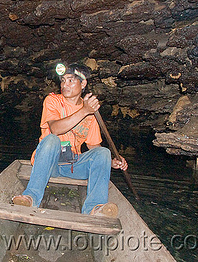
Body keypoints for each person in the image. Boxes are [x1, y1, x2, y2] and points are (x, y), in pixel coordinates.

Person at [12, 62, 128, 217]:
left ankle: (95, 208)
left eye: (71, 80)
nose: (65, 85)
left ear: (83, 83)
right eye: (63, 80)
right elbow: (55, 128)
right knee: (52, 140)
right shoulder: (53, 101)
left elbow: (94, 147)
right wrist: (85, 111)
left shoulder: (91, 114)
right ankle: (30, 197)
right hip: (50, 163)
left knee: (103, 152)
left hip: (74, 165)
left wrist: (111, 161)